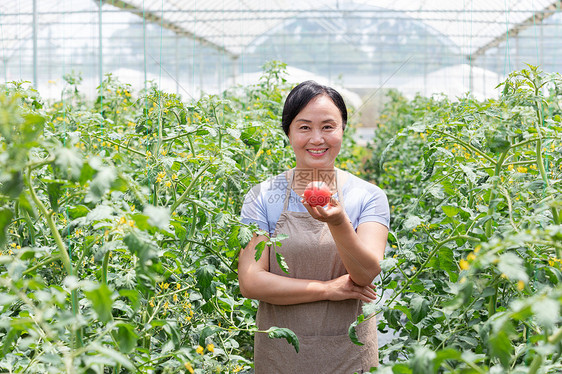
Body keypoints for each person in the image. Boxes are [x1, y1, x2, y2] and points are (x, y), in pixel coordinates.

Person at [238, 80, 390, 373]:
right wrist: (327, 289)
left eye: (328, 127)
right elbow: (251, 281)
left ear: (343, 130)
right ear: (289, 133)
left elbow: (366, 272)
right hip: (280, 357)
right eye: (304, 127)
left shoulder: (368, 196)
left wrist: (337, 220)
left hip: (349, 353)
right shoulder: (263, 196)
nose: (317, 138)